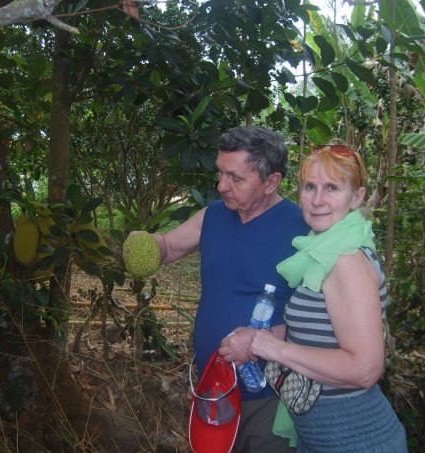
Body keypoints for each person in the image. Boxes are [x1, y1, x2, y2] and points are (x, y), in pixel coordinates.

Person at [220, 144, 408, 452]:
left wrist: (276, 349)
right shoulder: (320, 252)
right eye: (310, 187)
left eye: (332, 188)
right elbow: (316, 336)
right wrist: (257, 339)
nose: (318, 200)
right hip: (320, 438)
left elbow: (365, 369)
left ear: (356, 197)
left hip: (356, 440)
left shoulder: (346, 260)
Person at [150, 125, 309, 451]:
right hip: (214, 389)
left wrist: (263, 340)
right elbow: (168, 247)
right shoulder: (213, 216)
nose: (222, 186)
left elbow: (322, 320)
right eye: (221, 173)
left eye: (236, 178)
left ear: (271, 182)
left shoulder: (303, 230)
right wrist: (145, 245)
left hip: (271, 396)